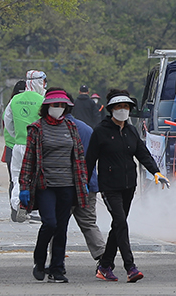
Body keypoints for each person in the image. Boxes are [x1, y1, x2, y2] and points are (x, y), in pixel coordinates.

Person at [86, 89, 169, 283]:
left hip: (128, 186)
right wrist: (84, 183)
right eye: (118, 107)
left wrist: (156, 172)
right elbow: (89, 161)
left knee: (118, 225)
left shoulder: (131, 131)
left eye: (125, 107)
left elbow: (143, 154)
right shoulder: (101, 131)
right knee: (122, 223)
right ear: (111, 109)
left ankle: (105, 266)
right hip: (109, 186)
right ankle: (130, 267)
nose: (122, 110)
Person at [18, 88, 89, 283]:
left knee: (62, 228)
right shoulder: (36, 128)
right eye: (54, 105)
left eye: (61, 105)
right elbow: (29, 160)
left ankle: (57, 268)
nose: (58, 108)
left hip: (67, 185)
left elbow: (79, 157)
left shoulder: (70, 127)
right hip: (45, 185)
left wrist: (83, 182)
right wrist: (24, 186)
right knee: (50, 223)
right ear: (46, 106)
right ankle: (39, 262)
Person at [65, 92, 106, 264]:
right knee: (89, 223)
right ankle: (104, 260)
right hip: (88, 184)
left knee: (57, 225)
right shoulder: (87, 129)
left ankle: (54, 263)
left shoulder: (55, 129)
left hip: (63, 186)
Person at [5, 70, 46, 223]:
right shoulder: (42, 100)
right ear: (37, 82)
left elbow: (7, 121)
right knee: (36, 177)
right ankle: (34, 209)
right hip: (36, 147)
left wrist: (17, 135)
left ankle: (17, 206)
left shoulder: (15, 100)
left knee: (17, 178)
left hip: (19, 145)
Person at [3, 80, 26, 201]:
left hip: (11, 147)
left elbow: (7, 125)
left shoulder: (10, 105)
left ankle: (14, 207)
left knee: (14, 179)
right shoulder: (31, 104)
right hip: (25, 146)